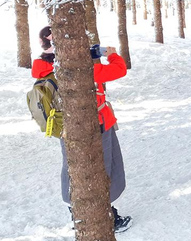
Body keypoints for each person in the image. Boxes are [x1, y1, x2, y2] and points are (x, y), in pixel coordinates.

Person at [31, 26, 132, 232]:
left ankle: (76, 210)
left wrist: (94, 51)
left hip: (67, 126)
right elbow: (119, 70)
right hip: (98, 123)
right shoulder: (82, 70)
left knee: (73, 167)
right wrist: (112, 55)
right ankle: (106, 216)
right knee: (104, 168)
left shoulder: (45, 67)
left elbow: (62, 57)